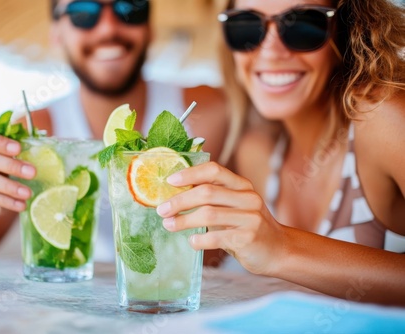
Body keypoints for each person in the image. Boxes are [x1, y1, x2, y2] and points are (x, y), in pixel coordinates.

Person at [0, 0, 235, 264]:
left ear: (150, 26)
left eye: (130, 8)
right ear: (57, 33)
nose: (108, 28)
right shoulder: (35, 131)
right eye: (83, 12)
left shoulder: (213, 111)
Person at [156, 0, 405, 305]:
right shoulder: (256, 147)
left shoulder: (384, 119)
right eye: (246, 26)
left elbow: (273, 250)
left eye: (302, 25)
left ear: (346, 29)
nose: (272, 52)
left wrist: (282, 248)